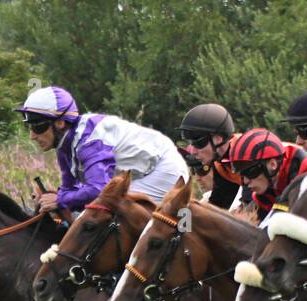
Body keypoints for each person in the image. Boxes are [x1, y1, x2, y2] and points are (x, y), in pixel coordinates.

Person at [15, 86, 188, 213]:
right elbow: (71, 189)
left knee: (113, 214)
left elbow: (98, 189)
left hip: (163, 170)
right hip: (141, 173)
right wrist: (55, 197)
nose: (32, 136)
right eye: (29, 128)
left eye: (37, 127)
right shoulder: (64, 144)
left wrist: (60, 200)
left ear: (60, 123)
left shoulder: (89, 142)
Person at [224, 128, 307, 221]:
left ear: (272, 164)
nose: (246, 181)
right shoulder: (266, 184)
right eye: (242, 174)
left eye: (250, 172)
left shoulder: (305, 171)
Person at [177, 103, 243, 210]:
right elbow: (218, 205)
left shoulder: (245, 154)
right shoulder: (220, 165)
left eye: (199, 143)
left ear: (218, 139)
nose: (193, 151)